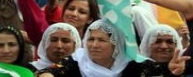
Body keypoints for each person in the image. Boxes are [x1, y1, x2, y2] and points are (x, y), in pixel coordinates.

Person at [37, 20, 185, 77]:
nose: (94, 45)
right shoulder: (76, 61)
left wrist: (170, 71)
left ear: (116, 45)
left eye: (101, 40)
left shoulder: (135, 65)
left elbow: (163, 73)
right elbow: (47, 72)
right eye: (91, 39)